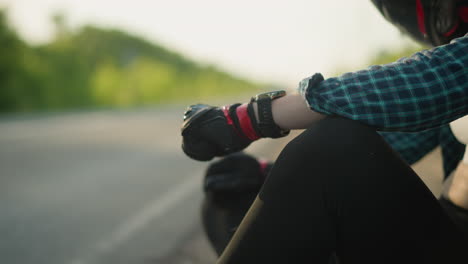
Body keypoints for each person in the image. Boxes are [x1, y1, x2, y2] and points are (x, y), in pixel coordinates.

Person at [181, 0, 468, 263]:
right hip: (446, 225)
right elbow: (394, 142)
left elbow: (433, 80)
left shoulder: (452, 70)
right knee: (236, 192)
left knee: (331, 148)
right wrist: (275, 176)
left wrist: (249, 118)